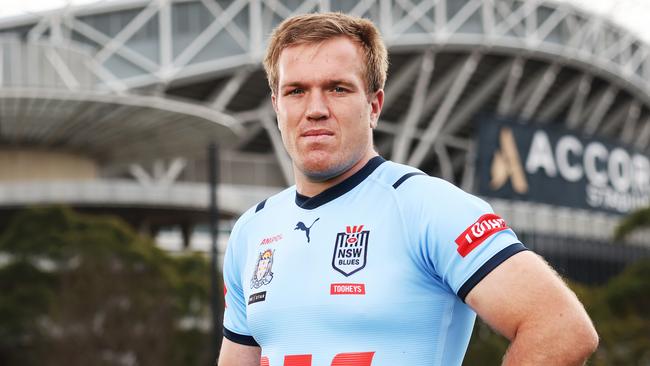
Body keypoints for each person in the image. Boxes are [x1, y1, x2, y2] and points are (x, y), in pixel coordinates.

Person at [218, 12, 598, 366]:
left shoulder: (428, 206)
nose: (315, 108)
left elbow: (561, 327)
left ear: (374, 105)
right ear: (276, 105)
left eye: (337, 89)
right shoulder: (252, 230)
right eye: (296, 91)